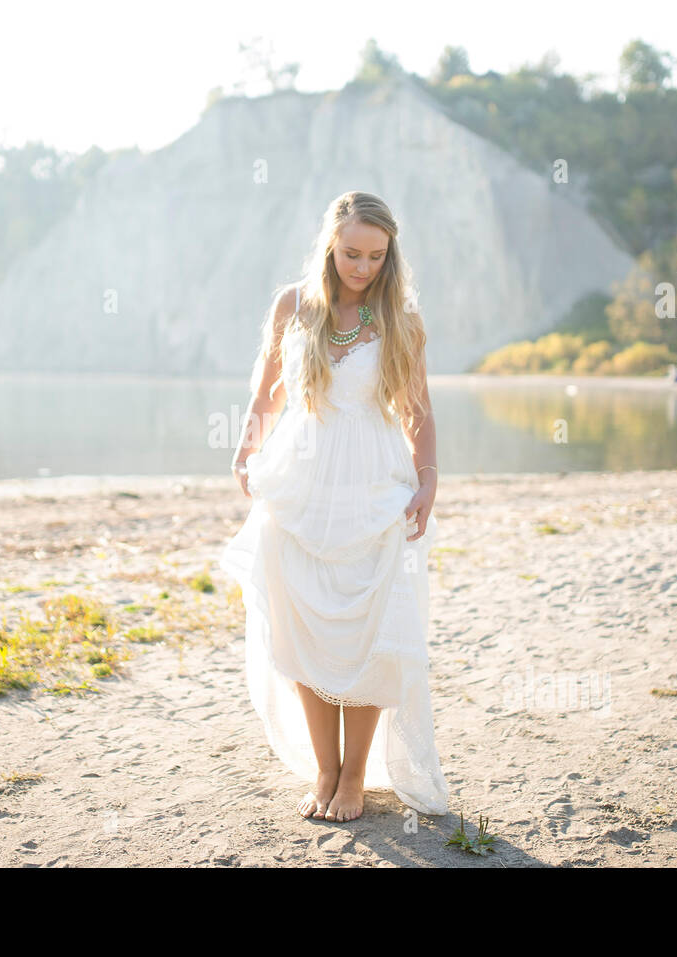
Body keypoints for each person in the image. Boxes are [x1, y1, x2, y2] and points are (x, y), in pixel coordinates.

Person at [218, 191, 448, 822]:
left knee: (369, 632)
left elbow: (418, 412)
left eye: (376, 255)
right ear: (330, 242)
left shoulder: (401, 317)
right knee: (302, 626)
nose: (363, 266)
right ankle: (324, 767)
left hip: (375, 486)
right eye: (351, 252)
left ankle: (353, 778)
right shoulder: (293, 306)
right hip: (300, 482)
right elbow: (267, 389)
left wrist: (428, 480)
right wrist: (246, 448)